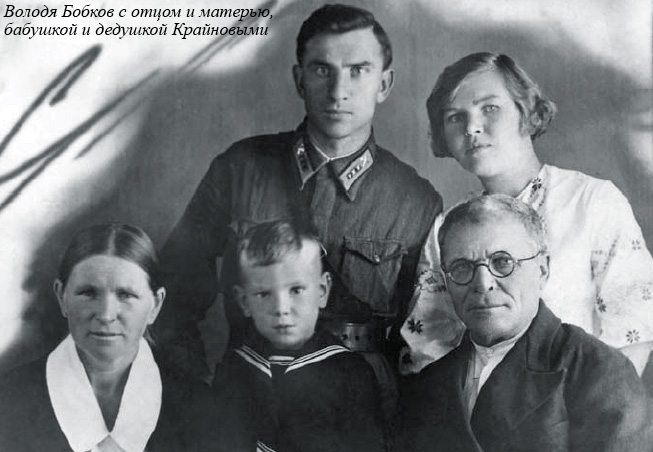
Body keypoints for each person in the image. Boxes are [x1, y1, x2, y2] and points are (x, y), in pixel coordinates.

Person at [155, 2, 441, 392]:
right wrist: (195, 390)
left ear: (384, 85)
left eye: (358, 71)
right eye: (322, 70)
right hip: (248, 394)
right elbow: (172, 295)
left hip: (358, 406)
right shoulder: (240, 169)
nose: (338, 91)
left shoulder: (415, 202)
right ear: (299, 80)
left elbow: (426, 340)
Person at [400, 52, 653, 376]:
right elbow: (428, 344)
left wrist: (592, 401)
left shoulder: (592, 202)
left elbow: (633, 329)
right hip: (473, 402)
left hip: (580, 398)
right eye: (455, 117)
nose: (472, 127)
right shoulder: (446, 228)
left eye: (489, 108)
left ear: (526, 111)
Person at [396, 195, 653, 452]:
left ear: (542, 269)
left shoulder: (598, 370)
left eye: (502, 262)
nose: (483, 283)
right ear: (447, 281)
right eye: (462, 267)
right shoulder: (429, 384)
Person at [0, 223, 239, 452]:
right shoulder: (8, 399)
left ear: (155, 305)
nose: (106, 315)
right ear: (62, 296)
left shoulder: (202, 409)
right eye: (88, 293)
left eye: (125, 295)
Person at [213, 220, 386, 452]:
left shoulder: (350, 373)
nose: (281, 308)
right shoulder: (235, 367)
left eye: (296, 290)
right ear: (244, 301)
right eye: (264, 293)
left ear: (322, 291)